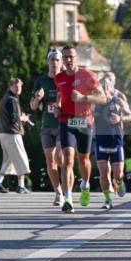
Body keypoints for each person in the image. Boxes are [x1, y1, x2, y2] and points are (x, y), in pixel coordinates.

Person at [55, 45, 107, 212]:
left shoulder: (87, 75)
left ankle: (85, 185)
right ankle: (68, 198)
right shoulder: (59, 78)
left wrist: (84, 97)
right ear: (62, 60)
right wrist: (57, 107)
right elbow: (60, 96)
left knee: (83, 158)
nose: (68, 60)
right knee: (68, 158)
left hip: (85, 121)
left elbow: (103, 98)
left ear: (76, 58)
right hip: (66, 120)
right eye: (65, 57)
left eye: (71, 56)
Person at [94, 72, 131, 210]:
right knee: (103, 172)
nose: (105, 89)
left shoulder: (118, 100)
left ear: (112, 87)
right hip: (100, 140)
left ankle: (120, 182)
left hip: (116, 139)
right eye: (102, 86)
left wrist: (120, 119)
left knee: (118, 174)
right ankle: (107, 200)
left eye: (107, 86)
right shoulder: (95, 102)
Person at [31, 48, 65, 206]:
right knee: (50, 162)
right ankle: (58, 192)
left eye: (58, 60)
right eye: (52, 60)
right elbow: (32, 106)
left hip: (62, 124)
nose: (55, 63)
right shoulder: (41, 81)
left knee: (60, 157)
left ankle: (67, 189)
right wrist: (38, 99)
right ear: (48, 62)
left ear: (61, 62)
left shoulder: (66, 79)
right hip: (46, 125)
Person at [0, 77, 31, 193]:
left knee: (9, 160)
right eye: (15, 86)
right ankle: (21, 186)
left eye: (20, 86)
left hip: (3, 133)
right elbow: (15, 119)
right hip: (12, 133)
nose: (18, 88)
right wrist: (24, 118)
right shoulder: (12, 100)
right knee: (21, 158)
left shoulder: (5, 98)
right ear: (10, 87)